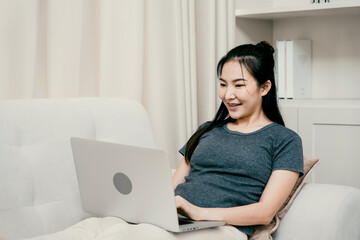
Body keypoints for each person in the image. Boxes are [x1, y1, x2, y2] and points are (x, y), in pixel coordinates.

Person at [172, 41, 304, 239]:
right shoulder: (206, 130)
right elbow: (173, 187)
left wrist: (199, 213)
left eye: (239, 85)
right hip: (175, 221)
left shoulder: (285, 140)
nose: (227, 94)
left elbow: (265, 212)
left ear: (265, 87)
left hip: (221, 229)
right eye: (223, 84)